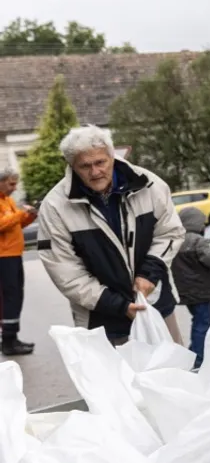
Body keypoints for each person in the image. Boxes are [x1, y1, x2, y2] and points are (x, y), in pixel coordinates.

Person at [37, 125, 185, 345]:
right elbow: (64, 271)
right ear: (72, 166)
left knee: (173, 374)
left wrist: (150, 273)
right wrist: (118, 305)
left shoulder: (149, 185)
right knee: (118, 379)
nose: (95, 172)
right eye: (85, 166)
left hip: (155, 305)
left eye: (100, 162)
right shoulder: (55, 207)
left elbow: (170, 232)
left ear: (112, 156)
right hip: (102, 319)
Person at [171, 206, 210, 367]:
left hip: (184, 291)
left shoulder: (177, 240)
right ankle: (198, 359)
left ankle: (194, 351)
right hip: (200, 290)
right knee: (202, 323)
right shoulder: (197, 240)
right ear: (195, 223)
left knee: (197, 321)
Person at [0, 169, 37, 356]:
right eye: (11, 184)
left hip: (13, 254)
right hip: (3, 256)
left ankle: (12, 337)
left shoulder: (8, 201)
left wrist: (29, 216)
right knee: (10, 297)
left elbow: (15, 225)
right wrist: (19, 214)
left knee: (16, 296)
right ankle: (8, 341)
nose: (14, 188)